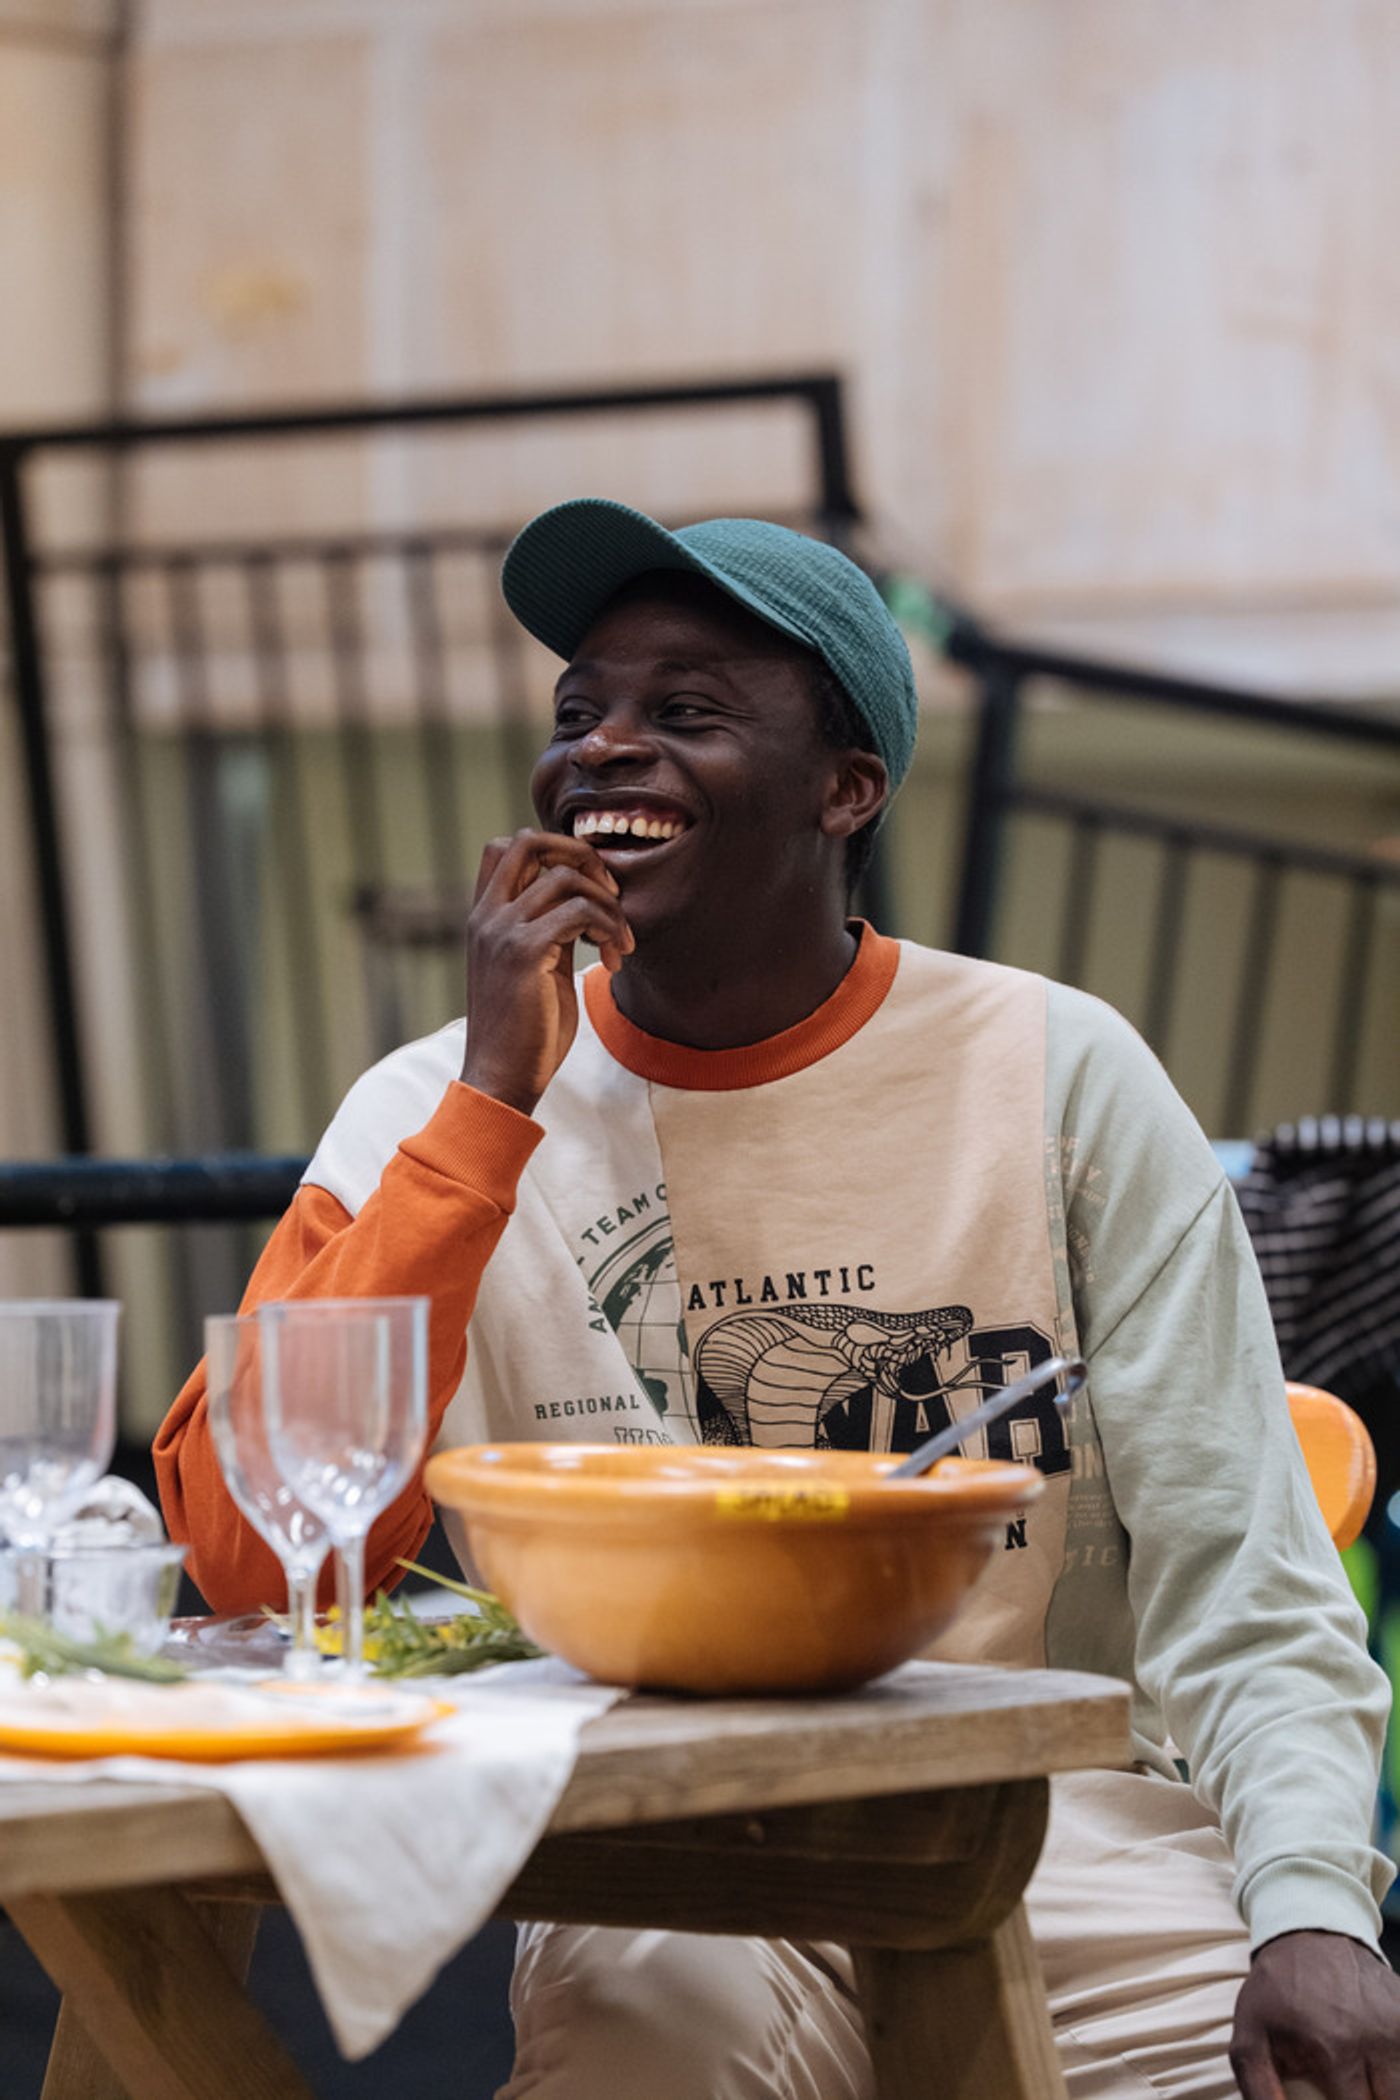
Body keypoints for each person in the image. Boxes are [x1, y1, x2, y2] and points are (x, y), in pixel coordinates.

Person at [156, 498, 1400, 2099]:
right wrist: (489, 1106)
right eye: (578, 711)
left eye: (683, 713)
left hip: (1053, 1829)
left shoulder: (1058, 1070)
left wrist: (1315, 1909)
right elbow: (254, 1560)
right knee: (647, 2053)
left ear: (845, 790)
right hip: (660, 1852)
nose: (603, 749)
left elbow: (1247, 1570)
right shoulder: (426, 1109)